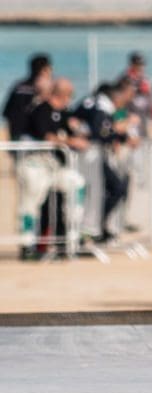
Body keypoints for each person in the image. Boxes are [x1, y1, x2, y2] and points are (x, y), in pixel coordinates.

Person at [16, 78, 89, 259]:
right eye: (69, 95)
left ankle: (73, 237)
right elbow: (47, 136)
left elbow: (73, 133)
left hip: (54, 166)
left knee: (77, 184)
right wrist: (70, 141)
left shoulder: (64, 113)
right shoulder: (40, 110)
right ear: (62, 94)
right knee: (31, 202)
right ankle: (27, 246)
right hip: (34, 165)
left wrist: (77, 132)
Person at [74, 78, 139, 244]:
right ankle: (91, 230)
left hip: (92, 156)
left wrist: (120, 136)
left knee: (111, 189)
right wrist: (121, 133)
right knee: (108, 190)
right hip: (89, 157)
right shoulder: (101, 106)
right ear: (117, 96)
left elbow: (103, 130)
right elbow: (101, 132)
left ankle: (98, 228)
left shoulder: (95, 103)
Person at [3, 54, 53, 143]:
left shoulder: (18, 86)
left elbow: (6, 112)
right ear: (44, 70)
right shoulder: (41, 89)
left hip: (15, 133)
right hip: (32, 137)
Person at [120, 52, 152, 137]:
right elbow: (119, 101)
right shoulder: (124, 79)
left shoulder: (146, 80)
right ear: (132, 65)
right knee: (133, 138)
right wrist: (124, 115)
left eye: (142, 65)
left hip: (144, 115)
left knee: (146, 139)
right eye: (138, 65)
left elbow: (151, 98)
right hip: (131, 115)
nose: (141, 67)